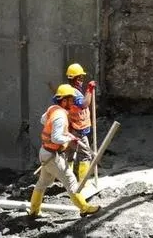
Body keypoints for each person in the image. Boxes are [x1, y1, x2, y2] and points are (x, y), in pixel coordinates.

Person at [29, 85, 99, 216]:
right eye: (70, 99)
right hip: (52, 156)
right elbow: (56, 138)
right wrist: (67, 138)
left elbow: (43, 120)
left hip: (45, 152)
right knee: (71, 181)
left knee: (42, 182)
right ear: (63, 100)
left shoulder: (53, 109)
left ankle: (34, 211)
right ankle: (84, 208)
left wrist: (63, 132)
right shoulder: (60, 116)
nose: (72, 102)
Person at [64, 63, 97, 181]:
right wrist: (89, 90)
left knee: (70, 154)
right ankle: (83, 183)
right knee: (85, 155)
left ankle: (67, 180)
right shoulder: (74, 93)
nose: (82, 80)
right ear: (77, 79)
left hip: (72, 129)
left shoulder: (69, 91)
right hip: (78, 131)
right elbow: (84, 104)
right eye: (81, 78)